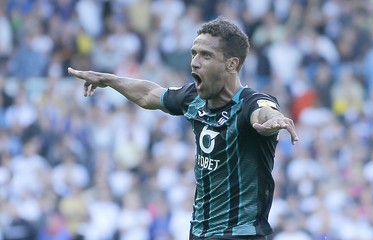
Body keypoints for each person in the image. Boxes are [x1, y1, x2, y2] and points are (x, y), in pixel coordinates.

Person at [68, 17, 299, 240]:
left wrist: (273, 120)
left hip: (239, 234)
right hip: (199, 231)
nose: (195, 62)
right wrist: (107, 79)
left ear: (231, 64)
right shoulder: (193, 98)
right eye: (194, 53)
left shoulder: (250, 103)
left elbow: (264, 111)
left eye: (206, 55)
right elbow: (149, 93)